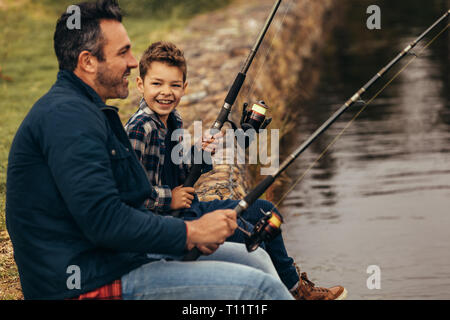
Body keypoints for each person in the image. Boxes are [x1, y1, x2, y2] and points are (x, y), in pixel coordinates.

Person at [5, 0, 294, 300]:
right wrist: (191, 233)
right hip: (87, 282)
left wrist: (184, 233)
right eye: (123, 52)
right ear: (88, 61)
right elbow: (105, 219)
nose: (133, 61)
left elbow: (129, 201)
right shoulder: (67, 118)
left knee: (258, 260)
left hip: (118, 257)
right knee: (260, 291)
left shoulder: (89, 110)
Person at [125, 41, 348, 300]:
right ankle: (290, 291)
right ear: (140, 85)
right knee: (253, 230)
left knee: (265, 211)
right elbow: (130, 192)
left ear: (184, 88)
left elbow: (174, 169)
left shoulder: (171, 119)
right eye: (157, 84)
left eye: (174, 85)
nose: (166, 92)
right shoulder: (141, 128)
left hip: (185, 210)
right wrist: (169, 197)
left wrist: (199, 152)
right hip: (166, 225)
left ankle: (294, 290)